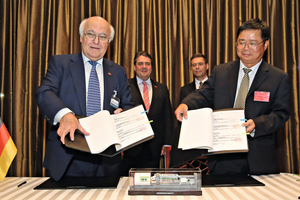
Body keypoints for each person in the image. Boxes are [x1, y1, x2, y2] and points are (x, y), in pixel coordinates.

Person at [174, 18, 290, 175]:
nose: (246, 48)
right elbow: (204, 93)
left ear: (265, 44)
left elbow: (280, 114)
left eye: (253, 43)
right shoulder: (221, 71)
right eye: (241, 42)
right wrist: (186, 104)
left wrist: (256, 124)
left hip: (257, 157)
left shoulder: (278, 77)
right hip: (222, 157)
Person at [35, 16, 134, 181]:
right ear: (81, 37)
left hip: (106, 161)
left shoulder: (118, 72)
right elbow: (44, 92)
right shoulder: (60, 63)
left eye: (103, 37)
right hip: (68, 156)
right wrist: (65, 115)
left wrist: (123, 116)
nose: (96, 41)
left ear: (108, 42)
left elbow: (128, 105)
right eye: (90, 34)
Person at [120, 51, 173, 176]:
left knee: (150, 185)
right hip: (130, 148)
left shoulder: (161, 88)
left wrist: (166, 143)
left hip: (154, 149)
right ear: (134, 67)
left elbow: (167, 118)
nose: (144, 67)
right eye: (140, 64)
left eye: (147, 64)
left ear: (151, 67)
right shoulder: (125, 86)